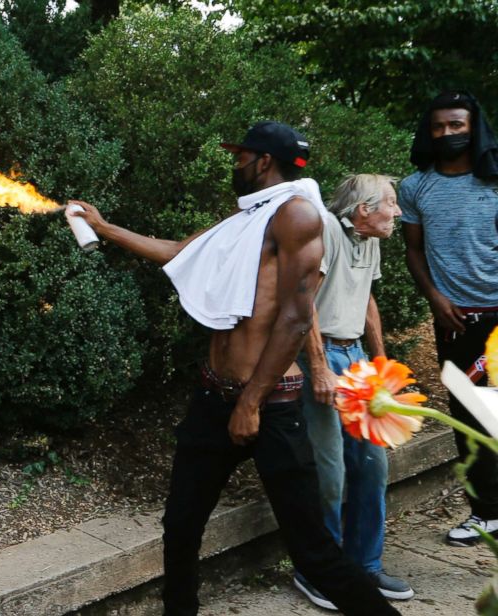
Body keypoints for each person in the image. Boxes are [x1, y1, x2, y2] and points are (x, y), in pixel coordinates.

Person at [70, 121, 400, 616]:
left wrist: (250, 403)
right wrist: (104, 228)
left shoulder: (298, 217)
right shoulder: (249, 218)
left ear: (263, 160)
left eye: (240, 157)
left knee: (314, 551)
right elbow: (181, 252)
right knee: (181, 526)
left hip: (270, 405)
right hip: (212, 396)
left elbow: (295, 317)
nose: (235, 165)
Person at [293, 174, 413, 609]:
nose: (397, 212)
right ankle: (317, 571)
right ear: (363, 210)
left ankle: (364, 567)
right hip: (319, 356)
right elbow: (303, 298)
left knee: (372, 464)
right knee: (330, 472)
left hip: (356, 356)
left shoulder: (371, 238)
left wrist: (381, 364)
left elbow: (366, 299)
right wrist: (321, 366)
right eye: (391, 204)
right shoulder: (325, 228)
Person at [400, 91, 498, 547]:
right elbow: (414, 250)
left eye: (457, 125)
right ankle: (486, 514)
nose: (448, 134)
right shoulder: (415, 187)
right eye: (439, 127)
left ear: (473, 127)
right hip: (454, 321)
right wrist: (435, 298)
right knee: (470, 414)